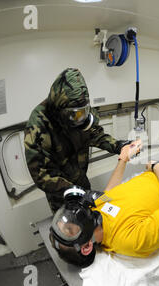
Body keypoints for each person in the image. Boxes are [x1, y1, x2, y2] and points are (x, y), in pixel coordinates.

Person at [24, 68, 136, 213]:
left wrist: (118, 146)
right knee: (70, 225)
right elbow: (41, 174)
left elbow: (94, 134)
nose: (80, 119)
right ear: (62, 109)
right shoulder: (38, 126)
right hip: (61, 191)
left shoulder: (79, 112)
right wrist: (74, 192)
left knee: (89, 216)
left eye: (83, 113)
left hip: (80, 178)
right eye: (75, 115)